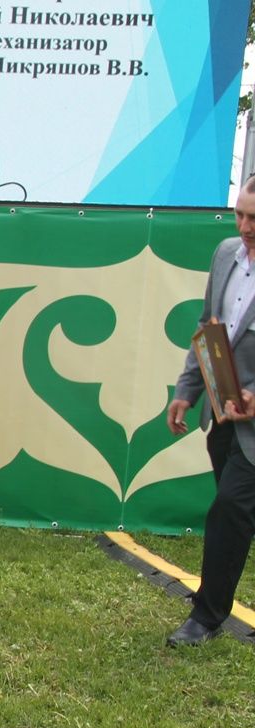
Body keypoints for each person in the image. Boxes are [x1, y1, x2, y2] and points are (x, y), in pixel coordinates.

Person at [164, 176, 255, 647]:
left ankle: (207, 615)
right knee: (237, 512)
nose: (244, 226)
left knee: (231, 508)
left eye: (254, 218)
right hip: (223, 416)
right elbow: (208, 329)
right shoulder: (225, 255)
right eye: (240, 214)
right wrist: (188, 390)